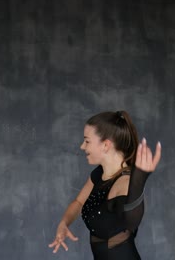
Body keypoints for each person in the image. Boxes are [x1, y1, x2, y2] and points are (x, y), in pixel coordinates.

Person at [48, 111, 162, 259]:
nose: (82, 146)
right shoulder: (99, 174)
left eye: (87, 141)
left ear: (106, 145)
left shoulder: (125, 182)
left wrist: (139, 181)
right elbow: (79, 202)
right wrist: (64, 223)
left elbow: (131, 221)